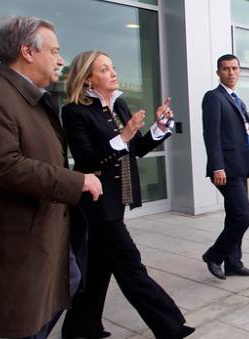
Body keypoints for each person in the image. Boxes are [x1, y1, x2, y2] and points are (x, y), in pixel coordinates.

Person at [0, 16, 103, 338]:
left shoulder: (28, 97)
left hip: (42, 229)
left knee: (68, 282)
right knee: (24, 317)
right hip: (16, 236)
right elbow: (2, 165)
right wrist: (76, 181)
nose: (60, 60)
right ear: (27, 51)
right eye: (54, 51)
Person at [60, 51, 194, 339]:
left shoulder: (118, 103)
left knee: (99, 265)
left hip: (117, 198)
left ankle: (80, 327)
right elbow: (86, 160)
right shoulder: (74, 111)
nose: (113, 72)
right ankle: (170, 326)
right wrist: (123, 136)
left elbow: (137, 149)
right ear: (88, 79)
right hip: (96, 203)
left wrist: (160, 126)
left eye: (113, 67)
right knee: (131, 264)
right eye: (104, 69)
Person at [201, 54, 249, 280]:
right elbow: (211, 135)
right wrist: (217, 166)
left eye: (235, 68)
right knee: (243, 217)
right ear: (218, 72)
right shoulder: (213, 97)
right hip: (226, 170)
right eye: (226, 68)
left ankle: (234, 263)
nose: (231, 72)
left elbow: (248, 136)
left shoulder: (238, 100)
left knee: (233, 216)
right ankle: (214, 255)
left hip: (242, 167)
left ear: (239, 71)